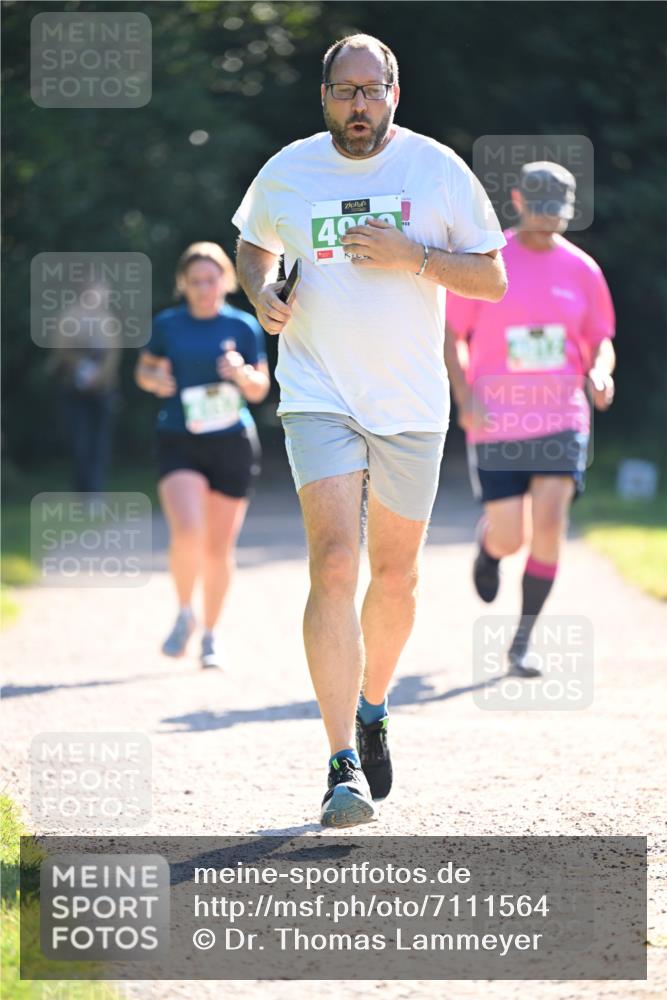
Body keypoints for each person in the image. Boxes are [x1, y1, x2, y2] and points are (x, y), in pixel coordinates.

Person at [232, 34, 507, 827]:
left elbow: (489, 277)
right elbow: (254, 245)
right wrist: (260, 293)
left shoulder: (437, 170)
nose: (359, 106)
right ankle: (340, 763)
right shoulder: (287, 169)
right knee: (334, 561)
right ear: (324, 96)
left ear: (394, 92)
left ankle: (373, 706)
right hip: (318, 391)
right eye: (344, 92)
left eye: (371, 90)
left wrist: (413, 255)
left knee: (394, 579)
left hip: (410, 404)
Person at [445, 161, 616, 676]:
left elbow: (600, 338)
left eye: (557, 214)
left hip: (563, 416)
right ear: (517, 201)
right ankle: (488, 549)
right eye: (539, 211)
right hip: (497, 419)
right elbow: (452, 335)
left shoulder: (582, 270)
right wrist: (464, 397)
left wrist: (601, 373)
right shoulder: (488, 263)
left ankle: (521, 641)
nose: (547, 222)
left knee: (548, 523)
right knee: (511, 536)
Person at [135, 242, 270, 669]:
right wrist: (157, 382)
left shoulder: (244, 326)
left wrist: (241, 373)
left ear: (225, 281)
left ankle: (211, 634)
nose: (203, 288)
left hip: (231, 441)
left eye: (210, 280)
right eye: (194, 282)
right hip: (180, 437)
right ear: (183, 285)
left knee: (218, 549)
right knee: (188, 531)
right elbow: (144, 371)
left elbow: (260, 389)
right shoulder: (169, 324)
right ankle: (183, 613)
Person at [49, 281, 122, 497]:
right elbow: (61, 351)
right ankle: (81, 490)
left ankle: (95, 491)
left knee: (100, 443)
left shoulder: (108, 320)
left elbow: (114, 354)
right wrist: (80, 368)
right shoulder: (69, 318)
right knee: (79, 441)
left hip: (103, 390)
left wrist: (99, 377)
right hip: (74, 389)